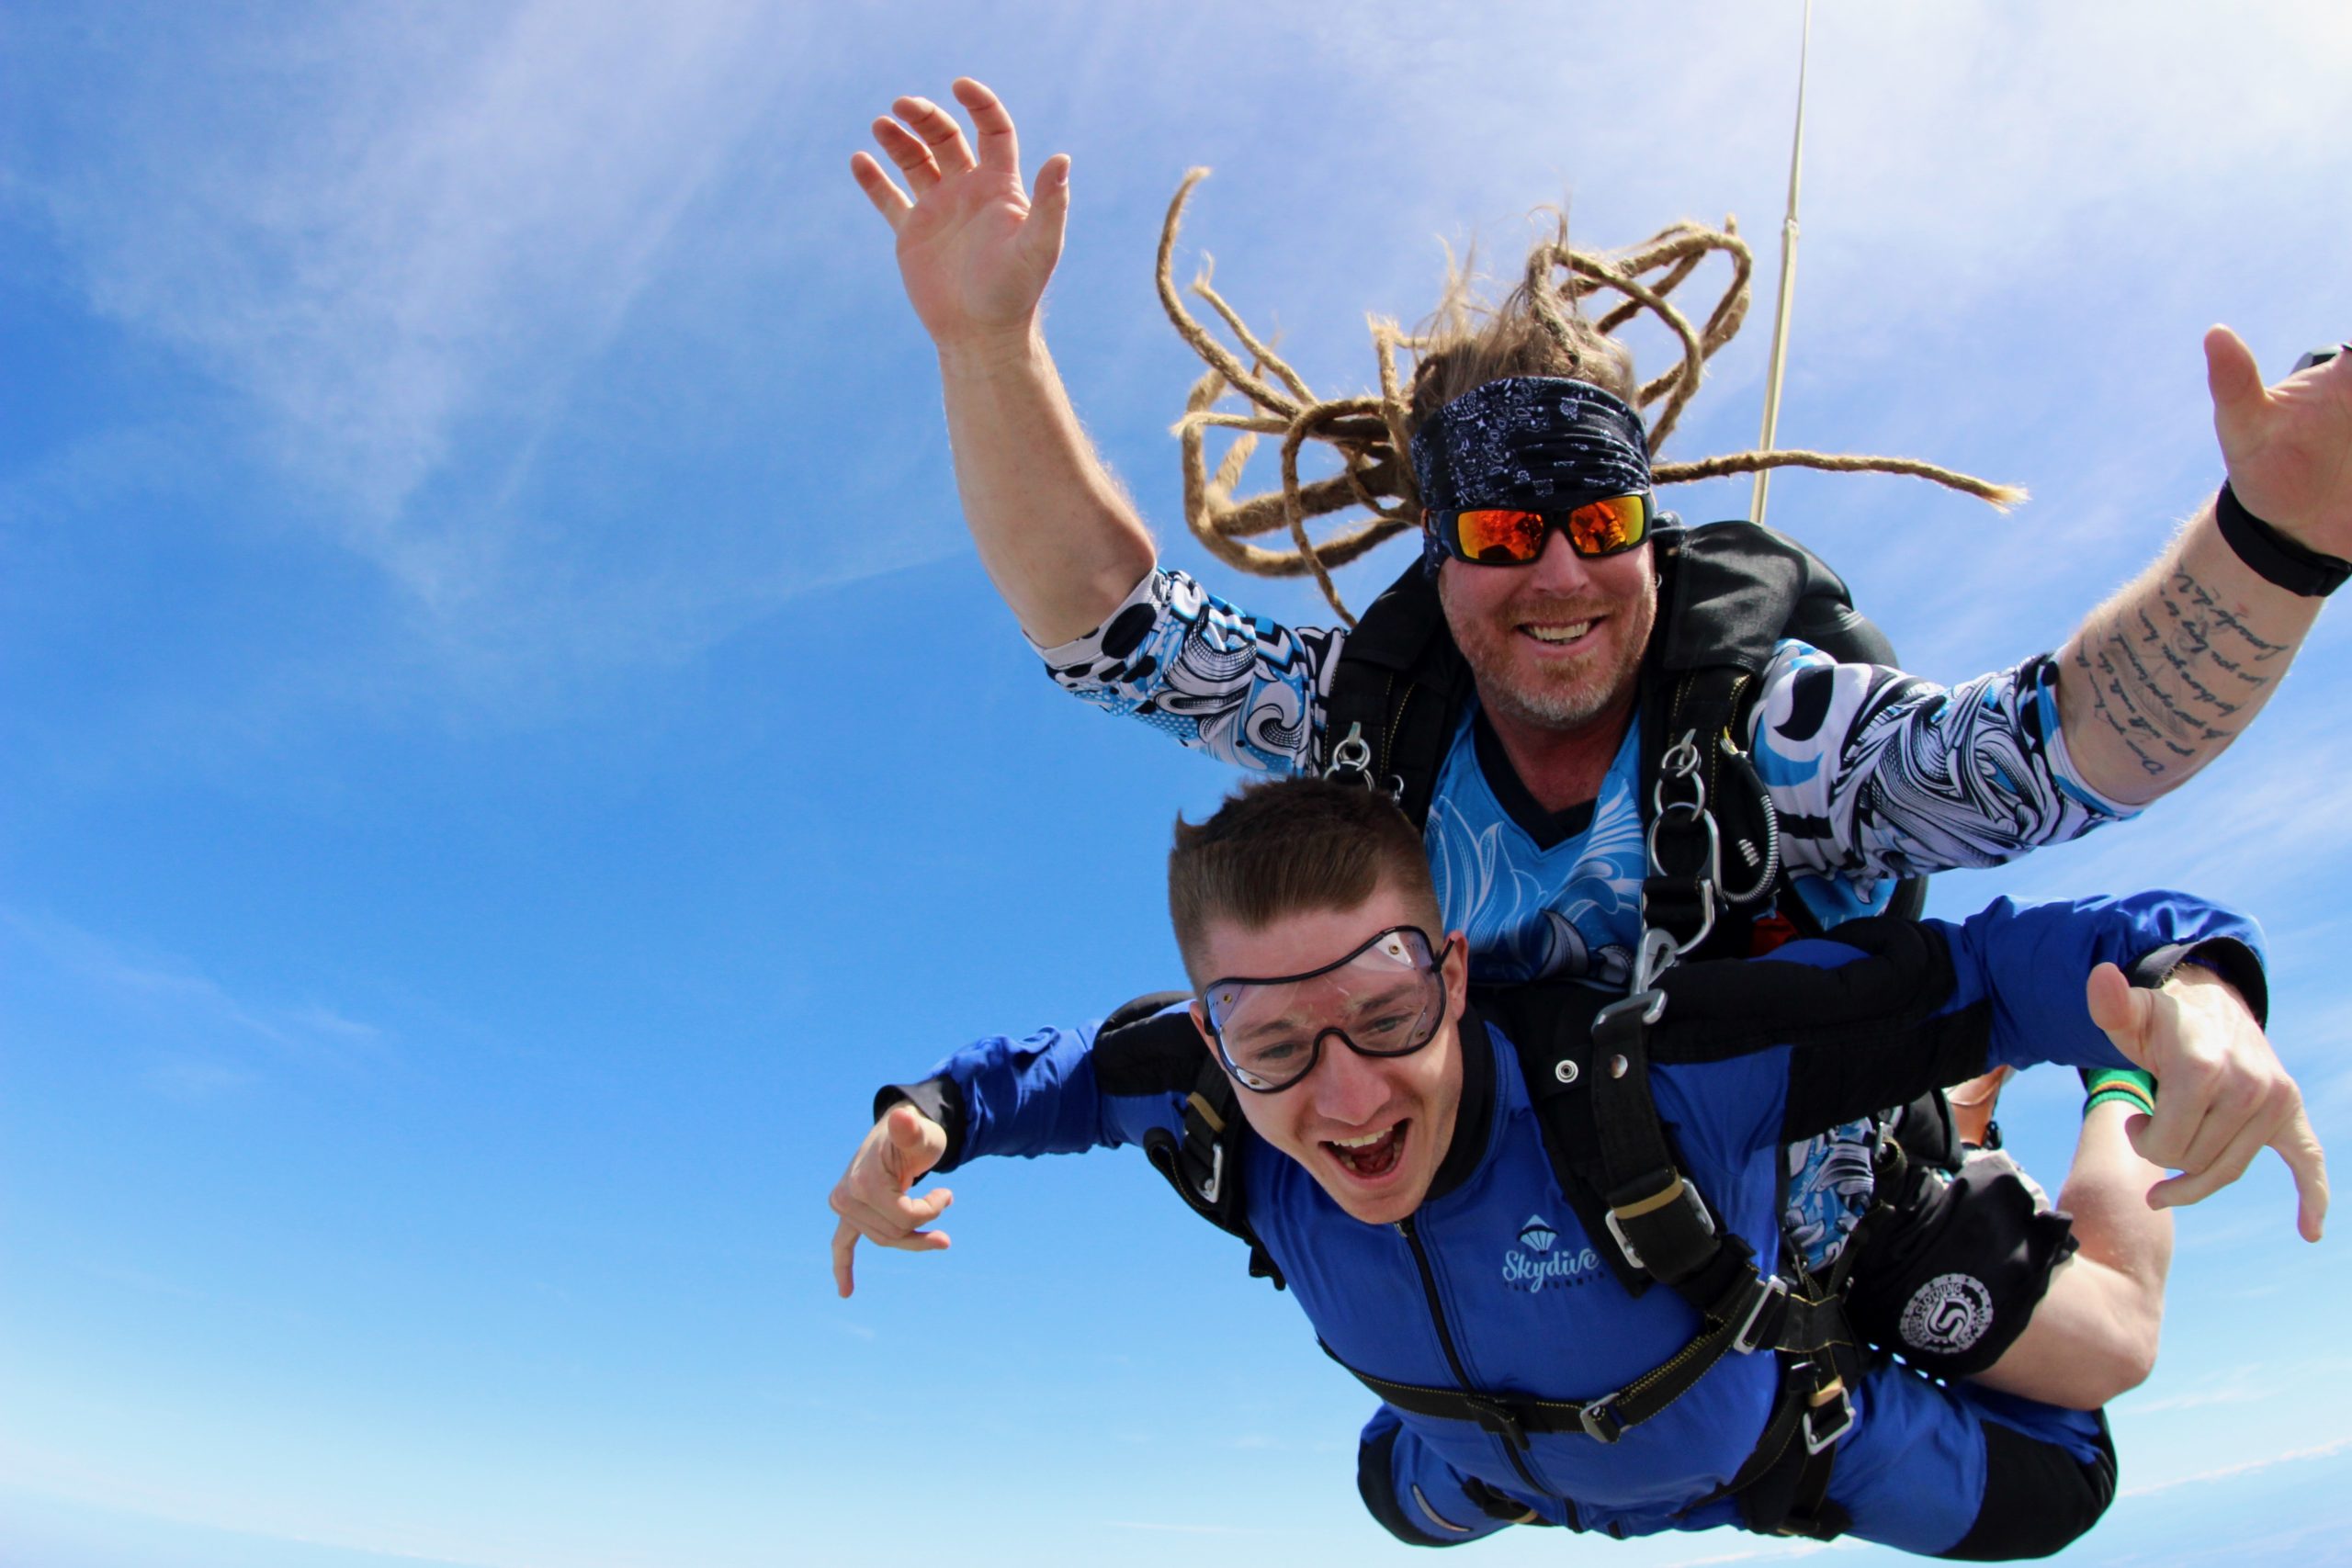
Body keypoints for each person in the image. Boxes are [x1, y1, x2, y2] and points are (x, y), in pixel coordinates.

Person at [846, 79, 2335, 1403]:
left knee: (2108, 1358)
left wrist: (2277, 537)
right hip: (1541, 1213)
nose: (1558, 576)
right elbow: (1114, 634)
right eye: (1501, 532)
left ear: (1645, 527)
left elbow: (2056, 754)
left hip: (1818, 1203)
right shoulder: (1378, 737)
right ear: (1436, 555)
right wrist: (985, 342)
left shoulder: (1764, 739)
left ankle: (2036, 1117)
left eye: (1597, 524)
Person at [829, 778, 2300, 1553]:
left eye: (1388, 1011)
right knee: (1396, 1507)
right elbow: (1055, 1071)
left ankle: (1998, 1137)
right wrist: (929, 1118)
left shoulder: (1650, 1073)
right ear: (1211, 1040)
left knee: (2087, 1424)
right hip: (1500, 1457)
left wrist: (2187, 997)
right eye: (1270, 1041)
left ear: (1456, 975)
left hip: (1785, 1423)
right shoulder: (1199, 1093)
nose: (1341, 1092)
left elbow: (1999, 962)